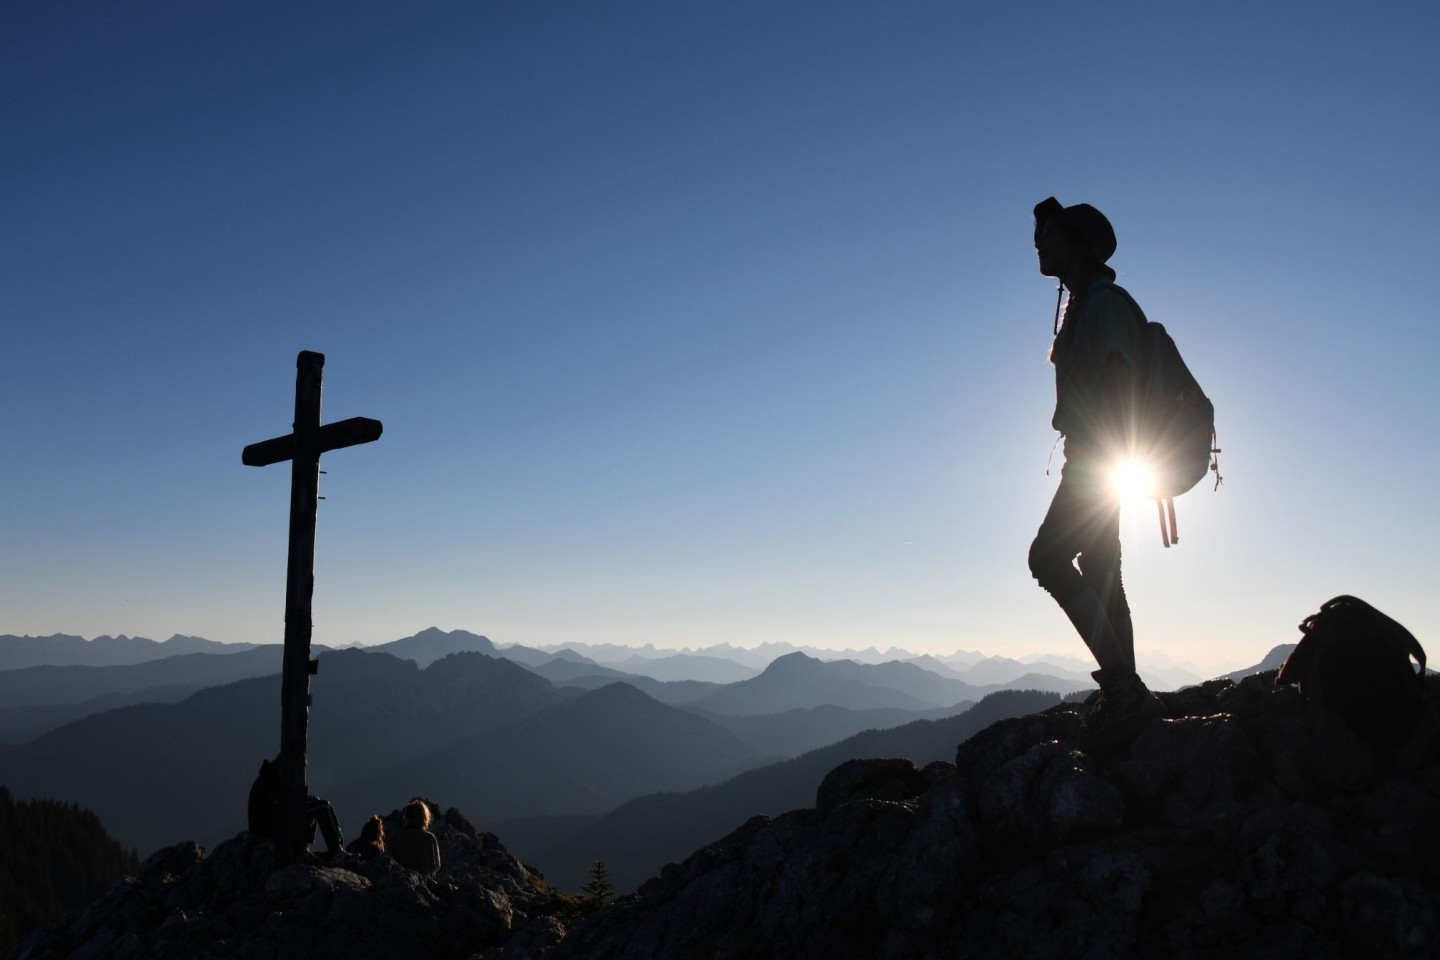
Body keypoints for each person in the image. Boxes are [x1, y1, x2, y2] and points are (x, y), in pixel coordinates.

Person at [1028, 197, 1165, 741]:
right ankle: (1127, 693)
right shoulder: (1088, 304)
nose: (1039, 244)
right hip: (1103, 458)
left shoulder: (1103, 304)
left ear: (1079, 244)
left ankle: (1124, 687)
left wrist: (1101, 458)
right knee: (1103, 566)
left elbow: (1115, 379)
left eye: (1050, 236)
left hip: (1099, 458)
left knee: (1048, 558)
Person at [245, 756, 346, 855]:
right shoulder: (273, 779)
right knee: (323, 806)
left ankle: (308, 846)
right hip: (269, 827)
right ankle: (336, 849)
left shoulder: (270, 775)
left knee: (315, 801)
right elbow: (282, 806)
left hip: (271, 822)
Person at [388, 798, 441, 876]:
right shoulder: (430, 838)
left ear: (407, 816)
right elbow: (437, 865)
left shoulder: (397, 835)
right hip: (422, 882)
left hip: (400, 879)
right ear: (425, 817)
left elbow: (389, 860)